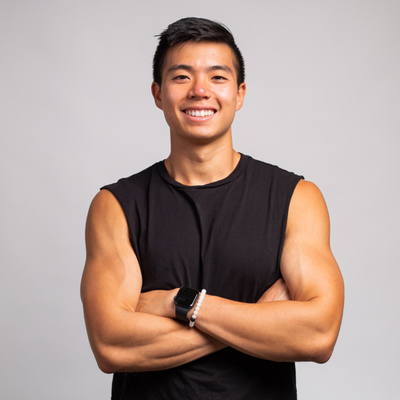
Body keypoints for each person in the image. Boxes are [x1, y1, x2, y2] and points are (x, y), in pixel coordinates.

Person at [81, 17, 344, 400]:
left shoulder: (297, 198)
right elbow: (111, 345)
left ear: (239, 94)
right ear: (158, 93)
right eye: (181, 77)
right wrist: (258, 318)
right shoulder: (116, 206)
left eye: (218, 77)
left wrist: (181, 303)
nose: (200, 91)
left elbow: (318, 336)